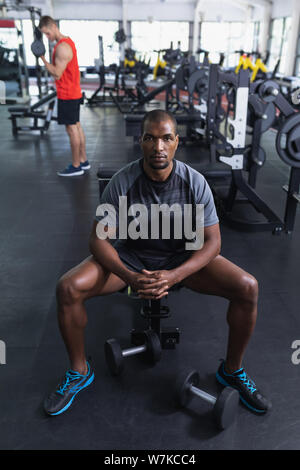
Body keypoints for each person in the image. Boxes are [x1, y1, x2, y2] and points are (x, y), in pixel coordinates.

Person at [43, 109, 272, 416]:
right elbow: (98, 240)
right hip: (131, 258)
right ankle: (79, 371)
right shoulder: (123, 182)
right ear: (142, 142)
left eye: (166, 138)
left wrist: (175, 275)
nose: (158, 147)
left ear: (176, 142)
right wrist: (130, 276)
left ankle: (231, 371)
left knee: (248, 287)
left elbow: (213, 242)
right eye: (150, 138)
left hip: (181, 260)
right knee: (68, 288)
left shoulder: (195, 182)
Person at [38, 15, 90, 177]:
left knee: (72, 129)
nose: (47, 37)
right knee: (77, 126)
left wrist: (42, 58)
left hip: (67, 94)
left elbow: (57, 73)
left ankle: (76, 166)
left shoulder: (61, 47)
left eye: (47, 33)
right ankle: (83, 161)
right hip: (73, 91)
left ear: (53, 26)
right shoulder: (68, 42)